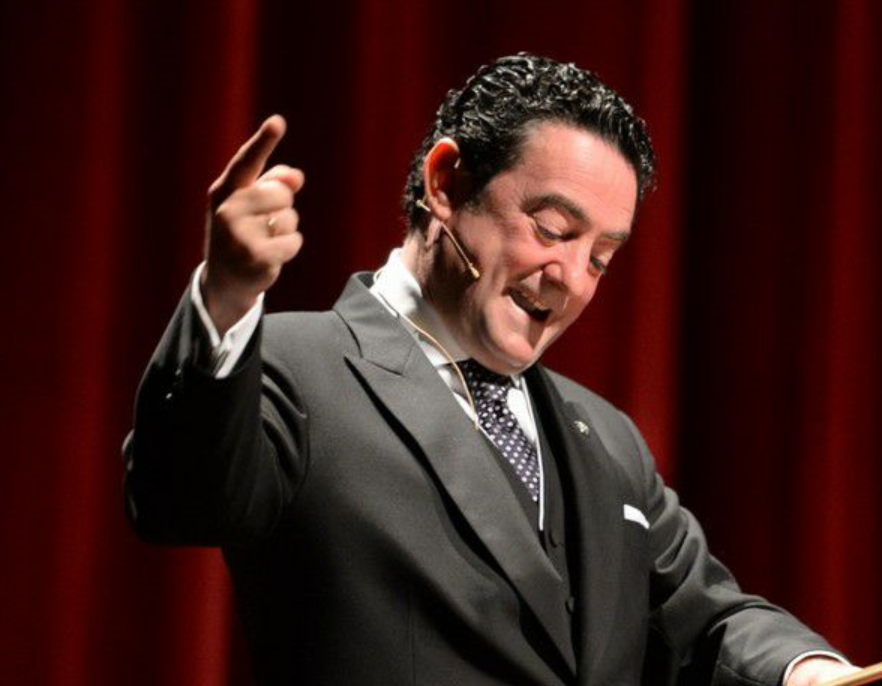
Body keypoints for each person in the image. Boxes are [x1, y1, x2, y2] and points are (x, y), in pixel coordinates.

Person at [124, 54, 858, 686]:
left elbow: (706, 618)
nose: (572, 279)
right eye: (554, 229)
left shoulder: (609, 439)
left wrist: (812, 673)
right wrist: (226, 296)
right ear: (446, 182)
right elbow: (178, 500)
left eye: (602, 257)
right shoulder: (298, 367)